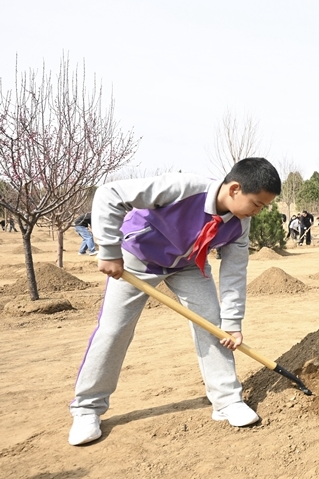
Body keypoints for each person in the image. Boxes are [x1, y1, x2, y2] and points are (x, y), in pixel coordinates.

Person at [68, 157, 281, 446]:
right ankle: (87, 410)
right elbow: (110, 194)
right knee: (114, 330)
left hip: (189, 266)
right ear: (234, 189)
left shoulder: (239, 226)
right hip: (138, 258)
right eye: (257, 204)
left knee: (213, 326)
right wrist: (108, 249)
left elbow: (234, 274)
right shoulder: (183, 187)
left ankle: (227, 402)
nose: (257, 212)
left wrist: (232, 323)